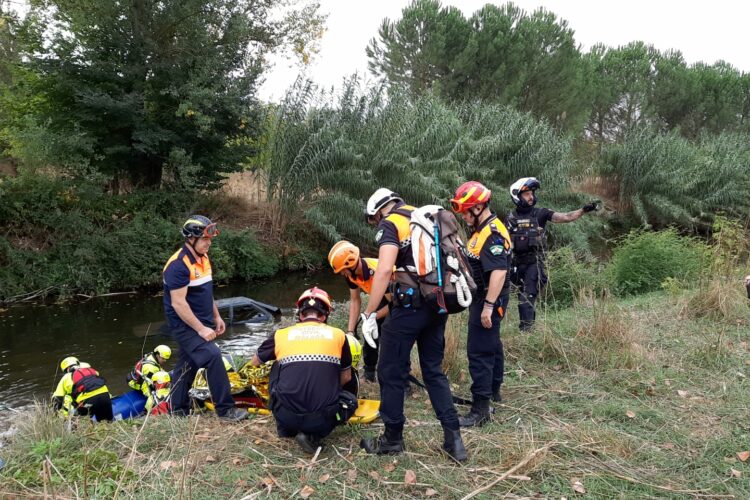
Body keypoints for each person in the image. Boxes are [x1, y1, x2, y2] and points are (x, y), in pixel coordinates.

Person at [358, 188, 467, 462]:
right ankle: (454, 440)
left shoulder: (391, 223)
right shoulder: (427, 217)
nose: (375, 224)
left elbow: (384, 270)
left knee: (390, 371)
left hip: (408, 308)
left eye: (373, 219)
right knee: (433, 371)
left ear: (379, 209)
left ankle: (392, 439)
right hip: (437, 303)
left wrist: (370, 313)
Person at [250, 287, 358, 454]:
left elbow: (254, 362)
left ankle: (287, 428)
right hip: (321, 419)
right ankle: (314, 435)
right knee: (350, 401)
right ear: (325, 315)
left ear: (300, 315)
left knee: (278, 364)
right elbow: (346, 378)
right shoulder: (338, 335)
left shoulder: (281, 334)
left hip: (285, 415)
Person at [162, 215, 247, 422]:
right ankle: (226, 410)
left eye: (209, 239)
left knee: (186, 365)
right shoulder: (178, 265)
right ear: (190, 239)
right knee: (212, 356)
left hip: (202, 321)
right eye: (204, 239)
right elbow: (178, 303)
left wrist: (216, 317)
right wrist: (201, 329)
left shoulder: (204, 258)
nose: (208, 243)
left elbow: (206, 293)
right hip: (185, 325)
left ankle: (178, 410)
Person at [450, 181, 512, 426]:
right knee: (492, 344)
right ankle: (493, 391)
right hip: (483, 297)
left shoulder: (492, 233)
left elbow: (498, 272)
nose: (464, 216)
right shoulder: (482, 229)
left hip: (488, 298)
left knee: (479, 351)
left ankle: (480, 410)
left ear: (478, 208)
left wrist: (488, 306)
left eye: (466, 211)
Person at [506, 178, 599, 331]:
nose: (531, 197)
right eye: (527, 194)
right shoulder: (511, 218)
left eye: (531, 193)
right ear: (517, 196)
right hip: (516, 264)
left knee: (527, 296)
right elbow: (505, 242)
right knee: (519, 297)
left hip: (534, 263)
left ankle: (526, 331)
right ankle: (527, 329)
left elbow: (566, 217)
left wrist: (583, 210)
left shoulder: (541, 213)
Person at [327, 240, 391, 382]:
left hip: (397, 299)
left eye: (343, 270)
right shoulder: (351, 274)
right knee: (367, 331)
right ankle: (369, 373)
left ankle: (401, 379)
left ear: (350, 263)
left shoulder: (377, 273)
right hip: (379, 296)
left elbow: (394, 304)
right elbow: (355, 300)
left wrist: (373, 317)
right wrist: (351, 331)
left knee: (389, 335)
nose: (342, 274)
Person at [52, 356, 113, 421]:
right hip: (106, 398)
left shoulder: (66, 377)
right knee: (107, 421)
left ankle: (73, 427)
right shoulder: (92, 371)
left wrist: (55, 414)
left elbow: (57, 398)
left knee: (69, 400)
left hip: (89, 403)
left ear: (67, 369)